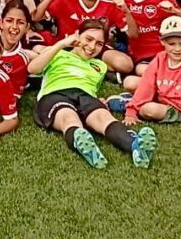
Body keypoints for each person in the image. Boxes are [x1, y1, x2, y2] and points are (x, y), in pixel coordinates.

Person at [28, 20, 158, 169]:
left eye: (98, 44)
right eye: (88, 39)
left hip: (85, 95)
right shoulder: (57, 54)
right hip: (55, 94)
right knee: (68, 116)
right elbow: (33, 68)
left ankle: (135, 146)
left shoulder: (100, 65)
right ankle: (82, 141)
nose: (91, 47)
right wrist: (62, 43)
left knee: (103, 117)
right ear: (77, 35)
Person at [123, 17, 181, 137]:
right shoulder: (160, 58)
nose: (177, 49)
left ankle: (125, 102)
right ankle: (130, 103)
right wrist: (131, 111)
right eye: (172, 44)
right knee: (130, 81)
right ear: (162, 42)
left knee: (148, 109)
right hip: (162, 96)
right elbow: (146, 83)